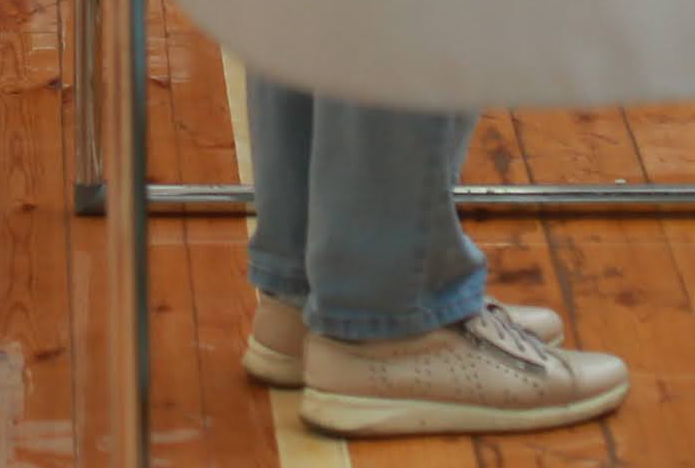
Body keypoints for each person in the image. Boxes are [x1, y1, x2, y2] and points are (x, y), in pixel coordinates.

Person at [238, 83, 630, 437]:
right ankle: (391, 324)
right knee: (405, 27)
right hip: (393, 310)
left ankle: (304, 294)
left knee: (322, 26)